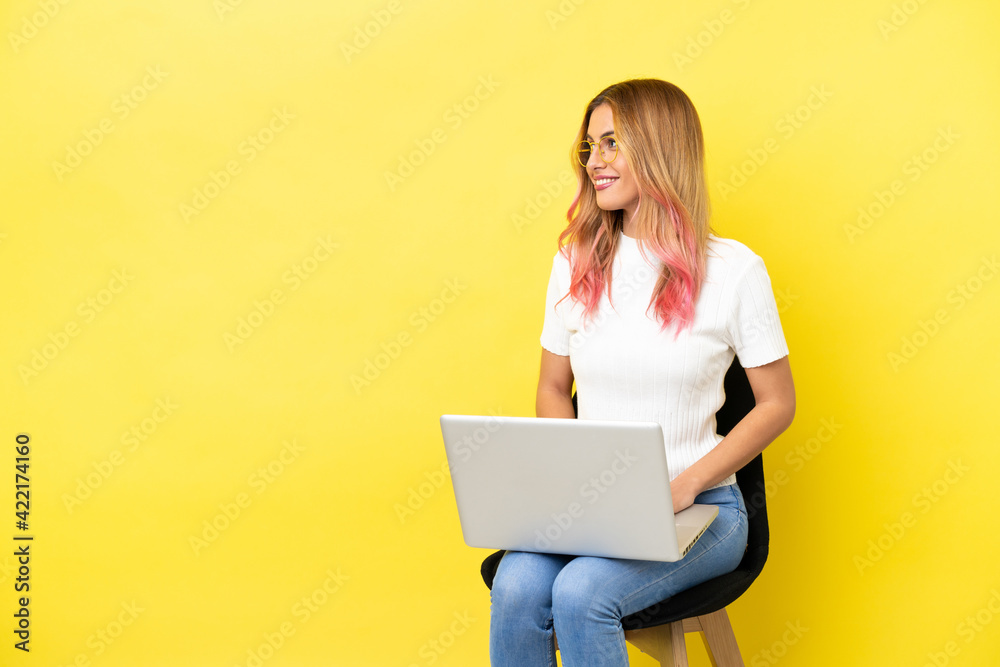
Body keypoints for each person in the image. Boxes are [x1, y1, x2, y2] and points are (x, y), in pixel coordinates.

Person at [488, 79, 796, 666]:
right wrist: (578, 480)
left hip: (703, 511)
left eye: (611, 143)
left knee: (581, 595)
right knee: (518, 582)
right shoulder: (575, 263)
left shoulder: (733, 271)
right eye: (589, 146)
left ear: (658, 148)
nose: (593, 161)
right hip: (592, 509)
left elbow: (777, 403)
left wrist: (681, 487)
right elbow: (553, 389)